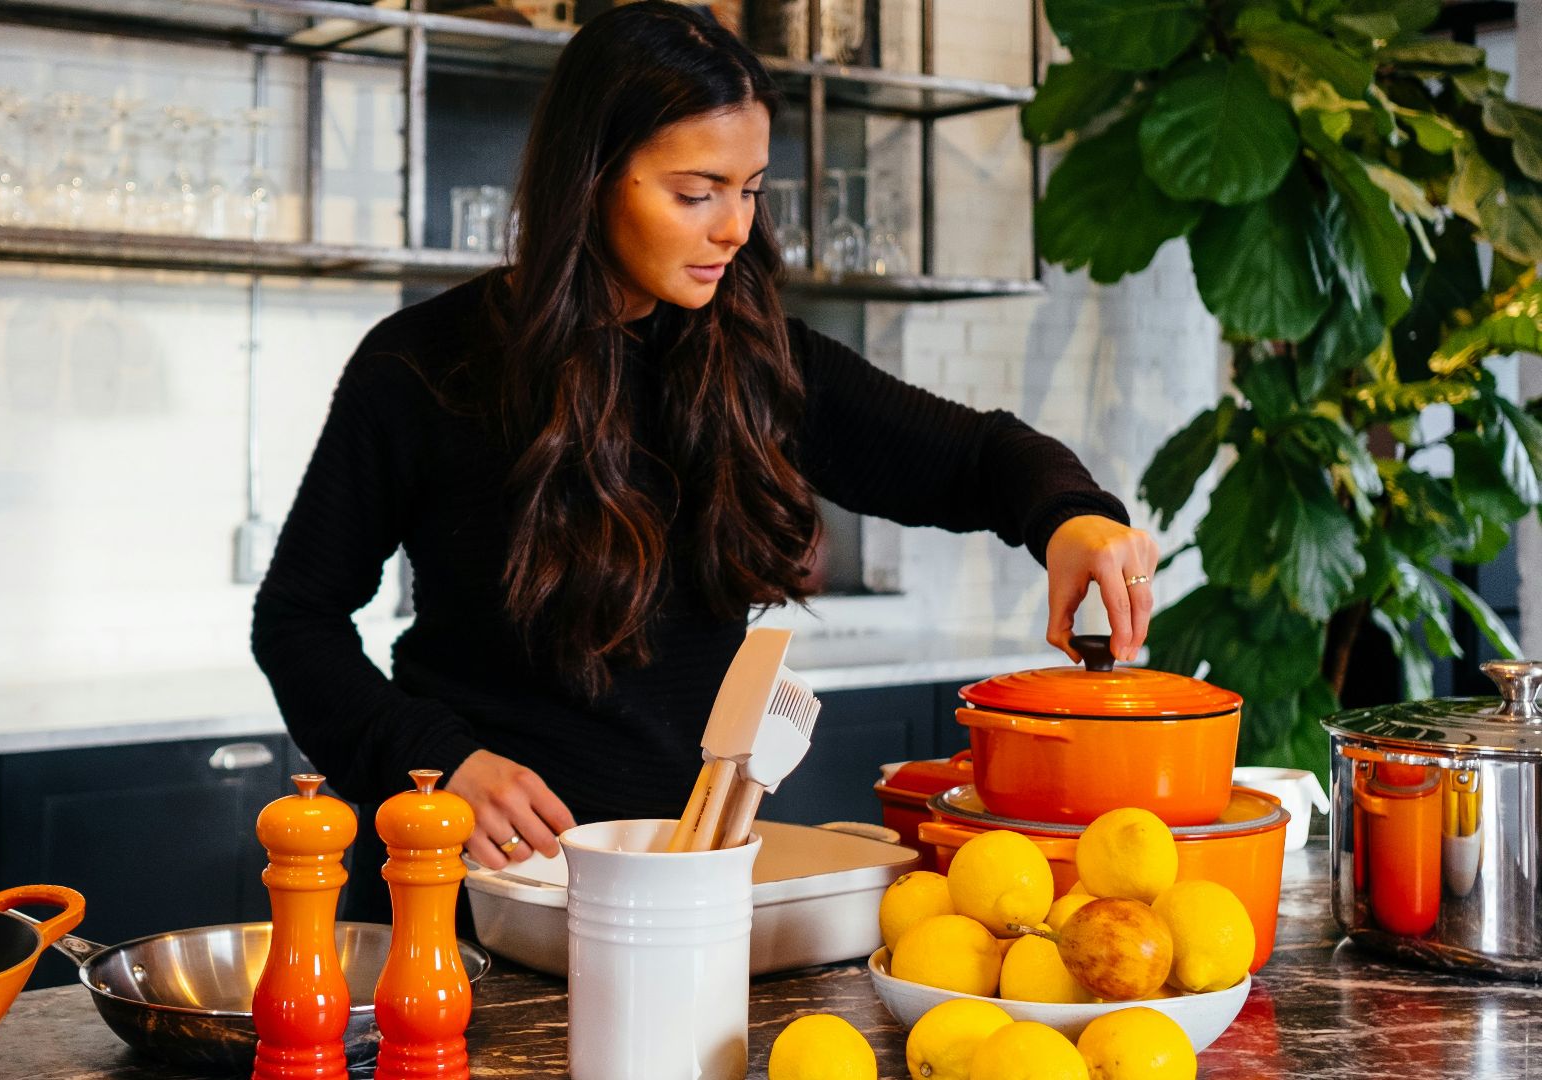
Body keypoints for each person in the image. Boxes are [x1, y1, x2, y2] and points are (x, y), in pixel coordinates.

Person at [251, 0, 1157, 920]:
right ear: (593, 177)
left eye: (750, 188)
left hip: (686, 891)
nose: (734, 228)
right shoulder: (422, 367)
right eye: (696, 193)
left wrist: (1070, 515)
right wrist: (439, 762)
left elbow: (976, 457)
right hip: (466, 895)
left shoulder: (758, 359)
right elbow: (296, 621)